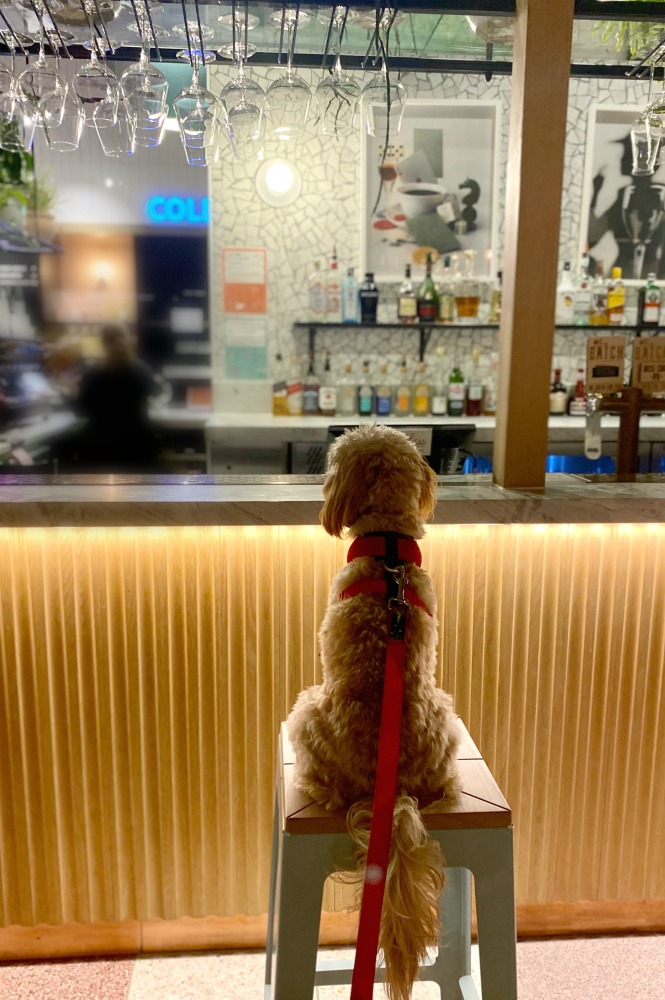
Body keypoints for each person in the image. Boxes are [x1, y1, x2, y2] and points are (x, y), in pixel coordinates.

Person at [75, 324, 164, 472]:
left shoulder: (92, 372)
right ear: (126, 339)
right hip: (137, 447)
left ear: (102, 342)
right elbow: (157, 391)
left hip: (100, 449)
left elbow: (80, 409)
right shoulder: (140, 369)